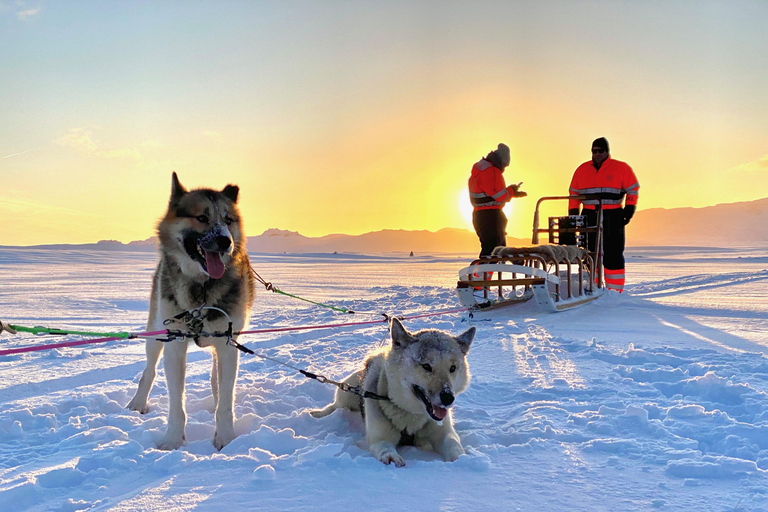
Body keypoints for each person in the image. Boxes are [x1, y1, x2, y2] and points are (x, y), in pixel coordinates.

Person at [568, 137, 639, 292]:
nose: (597, 154)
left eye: (601, 151)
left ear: (607, 151)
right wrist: (573, 214)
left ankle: (615, 291)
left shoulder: (621, 168)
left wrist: (629, 209)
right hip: (589, 215)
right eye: (594, 151)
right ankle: (589, 287)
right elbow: (573, 193)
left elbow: (633, 188)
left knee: (613, 252)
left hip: (613, 215)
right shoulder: (582, 169)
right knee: (588, 251)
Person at [468, 143, 526, 257]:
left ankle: (483, 274)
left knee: (497, 251)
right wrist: (512, 190)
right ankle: (478, 274)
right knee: (492, 252)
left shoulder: (481, 169)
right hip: (491, 217)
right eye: (504, 165)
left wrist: (512, 193)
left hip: (481, 215)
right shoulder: (492, 171)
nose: (504, 169)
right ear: (501, 161)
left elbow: (490, 193)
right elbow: (500, 195)